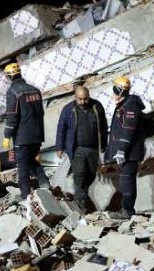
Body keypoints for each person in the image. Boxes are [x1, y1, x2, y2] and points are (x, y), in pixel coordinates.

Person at [55, 85, 108, 212]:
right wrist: (59, 147)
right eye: (80, 99)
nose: (83, 102)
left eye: (85, 99)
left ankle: (82, 197)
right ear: (75, 97)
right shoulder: (68, 109)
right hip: (77, 149)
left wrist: (104, 145)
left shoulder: (97, 106)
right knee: (79, 175)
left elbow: (104, 127)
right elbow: (61, 129)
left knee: (90, 175)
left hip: (93, 148)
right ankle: (80, 204)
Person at [2, 62, 50, 198]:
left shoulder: (13, 92)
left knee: (22, 166)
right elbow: (41, 113)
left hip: (22, 137)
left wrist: (7, 135)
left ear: (8, 76)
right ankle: (45, 183)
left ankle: (25, 196)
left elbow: (12, 116)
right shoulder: (35, 90)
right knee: (30, 160)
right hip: (37, 135)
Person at [106, 76, 146, 219]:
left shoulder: (130, 106)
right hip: (127, 151)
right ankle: (126, 209)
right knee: (125, 180)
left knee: (127, 180)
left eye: (115, 91)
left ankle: (127, 211)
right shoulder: (126, 104)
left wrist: (121, 149)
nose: (113, 94)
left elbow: (128, 129)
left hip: (129, 152)